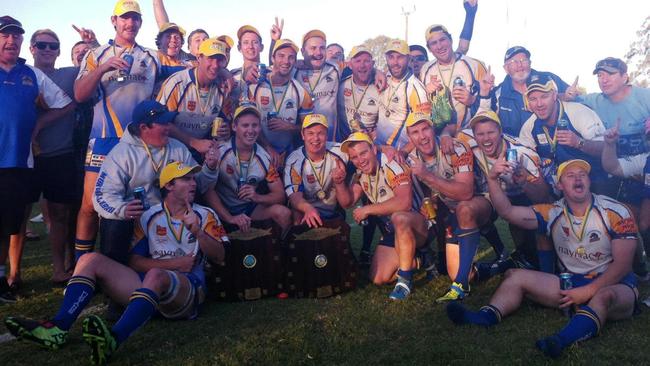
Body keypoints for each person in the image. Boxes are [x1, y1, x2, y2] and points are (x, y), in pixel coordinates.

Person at [5, 161, 226, 365]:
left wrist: (197, 230)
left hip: (187, 292)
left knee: (156, 275)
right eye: (186, 179)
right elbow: (134, 261)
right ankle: (58, 327)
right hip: (152, 288)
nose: (193, 183)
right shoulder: (149, 216)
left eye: (193, 179)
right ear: (169, 185)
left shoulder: (205, 214)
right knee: (90, 260)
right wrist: (175, 263)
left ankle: (113, 339)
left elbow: (220, 256)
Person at [447, 159, 639, 359]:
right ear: (559, 185)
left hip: (616, 285)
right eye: (570, 175)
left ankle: (560, 341)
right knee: (515, 276)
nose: (578, 178)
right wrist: (493, 179)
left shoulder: (616, 211)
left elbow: (623, 266)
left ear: (589, 181)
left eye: (582, 174)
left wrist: (587, 292)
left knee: (603, 297)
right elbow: (507, 212)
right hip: (571, 283)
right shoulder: (552, 212)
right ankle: (483, 317)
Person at [73, 0, 161, 262]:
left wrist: (225, 73)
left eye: (135, 18)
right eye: (124, 18)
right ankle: (82, 268)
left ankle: (125, 262)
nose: (130, 23)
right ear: (114, 21)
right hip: (103, 138)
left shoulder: (151, 57)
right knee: (90, 205)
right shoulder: (96, 54)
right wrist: (103, 68)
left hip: (138, 141)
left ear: (140, 23)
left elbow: (188, 69)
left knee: (133, 203)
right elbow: (79, 95)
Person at [0, 16, 73, 302]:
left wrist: (38, 125)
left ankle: (6, 278)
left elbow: (64, 103)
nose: (11, 41)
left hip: (18, 160)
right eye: (5, 36)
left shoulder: (30, 74)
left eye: (16, 36)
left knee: (10, 223)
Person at [92, 100, 219, 264]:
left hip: (172, 216)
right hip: (138, 220)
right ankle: (114, 271)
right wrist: (122, 209)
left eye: (168, 122)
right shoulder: (120, 154)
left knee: (198, 206)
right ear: (144, 128)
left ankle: (203, 263)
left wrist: (210, 167)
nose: (169, 127)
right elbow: (102, 195)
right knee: (114, 222)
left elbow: (198, 184)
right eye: (162, 123)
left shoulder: (178, 148)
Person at [336, 132, 429, 300]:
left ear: (373, 149)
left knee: (399, 217)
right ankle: (422, 258)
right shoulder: (361, 172)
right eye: (354, 157)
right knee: (378, 278)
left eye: (363, 153)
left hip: (419, 225)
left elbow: (404, 203)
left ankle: (405, 280)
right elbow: (347, 202)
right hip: (395, 233)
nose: (360, 160)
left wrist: (368, 209)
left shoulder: (391, 163)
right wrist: (339, 182)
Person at [461, 110, 551, 279]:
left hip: (523, 197)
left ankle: (528, 258)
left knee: (533, 239)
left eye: (490, 132)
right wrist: (444, 136)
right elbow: (451, 133)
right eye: (480, 134)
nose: (486, 138)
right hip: (493, 194)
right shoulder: (468, 143)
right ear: (474, 135)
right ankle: (508, 254)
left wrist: (524, 182)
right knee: (468, 207)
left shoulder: (523, 153)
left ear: (500, 132)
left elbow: (544, 197)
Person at [30, 29, 85, 284]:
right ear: (31, 48)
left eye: (53, 46)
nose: (47, 50)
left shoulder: (69, 74)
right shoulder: (22, 75)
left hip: (60, 154)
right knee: (18, 217)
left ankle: (60, 268)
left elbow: (92, 64)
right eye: (42, 45)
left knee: (61, 214)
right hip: (25, 156)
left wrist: (92, 41)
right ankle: (12, 275)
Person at [404, 111, 475, 280]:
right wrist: (428, 201)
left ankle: (501, 258)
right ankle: (429, 253)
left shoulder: (455, 147)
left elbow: (466, 193)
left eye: (425, 129)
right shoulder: (410, 160)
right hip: (446, 210)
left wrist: (427, 176)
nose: (422, 137)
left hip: (471, 207)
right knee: (420, 213)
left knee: (462, 275)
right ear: (409, 137)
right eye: (415, 132)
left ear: (433, 129)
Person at [204, 103, 291, 234]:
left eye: (255, 125)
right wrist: (230, 218)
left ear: (260, 128)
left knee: (284, 213)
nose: (251, 130)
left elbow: (280, 195)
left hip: (249, 209)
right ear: (234, 127)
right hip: (223, 209)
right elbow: (206, 190)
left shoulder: (265, 158)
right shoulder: (220, 153)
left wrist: (257, 197)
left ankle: (281, 252)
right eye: (245, 125)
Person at [518, 74, 607, 194]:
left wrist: (579, 143)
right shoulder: (529, 126)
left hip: (592, 184)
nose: (539, 104)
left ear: (554, 95)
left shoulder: (578, 112)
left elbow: (607, 149)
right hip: (557, 187)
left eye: (544, 96)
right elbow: (525, 162)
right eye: (533, 99)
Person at [157, 38, 231, 157]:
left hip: (204, 150)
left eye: (220, 60)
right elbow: (160, 123)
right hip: (173, 149)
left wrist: (226, 129)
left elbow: (226, 121)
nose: (215, 65)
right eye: (210, 58)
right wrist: (193, 142)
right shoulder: (177, 83)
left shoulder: (223, 87)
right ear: (199, 58)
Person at [419, 0, 482, 132]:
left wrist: (472, 100)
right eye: (434, 43)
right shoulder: (425, 69)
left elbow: (490, 104)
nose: (440, 46)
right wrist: (425, 93)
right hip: (439, 136)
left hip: (469, 134)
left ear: (451, 40)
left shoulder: (473, 65)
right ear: (429, 48)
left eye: (442, 40)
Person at [480, 46, 570, 136]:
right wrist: (484, 92)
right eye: (514, 62)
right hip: (516, 148)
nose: (520, 65)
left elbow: (578, 102)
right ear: (506, 68)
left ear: (530, 63)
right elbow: (481, 121)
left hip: (555, 145)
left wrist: (568, 97)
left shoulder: (549, 79)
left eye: (524, 60)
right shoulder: (498, 93)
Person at [248, 39, 313, 161]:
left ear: (295, 61)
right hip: (258, 150)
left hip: (287, 152)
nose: (286, 61)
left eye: (291, 57)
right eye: (281, 56)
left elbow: (309, 128)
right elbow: (246, 124)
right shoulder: (255, 86)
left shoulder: (301, 92)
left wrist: (289, 127)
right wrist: (267, 147)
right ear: (273, 58)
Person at [284, 114, 349, 226]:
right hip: (306, 211)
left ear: (326, 134)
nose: (316, 138)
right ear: (302, 135)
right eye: (310, 133)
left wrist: (382, 148)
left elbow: (362, 149)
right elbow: (295, 197)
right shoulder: (294, 161)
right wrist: (308, 209)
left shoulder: (340, 151)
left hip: (333, 211)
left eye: (320, 133)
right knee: (297, 217)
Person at [376, 39, 430, 153]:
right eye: (391, 57)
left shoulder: (416, 89)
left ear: (409, 59)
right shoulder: (385, 77)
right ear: (386, 58)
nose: (395, 62)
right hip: (379, 147)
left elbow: (424, 130)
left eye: (400, 57)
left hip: (399, 152)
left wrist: (403, 153)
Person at [294, 30, 341, 141]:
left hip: (329, 140)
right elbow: (274, 69)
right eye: (313, 48)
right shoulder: (293, 70)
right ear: (302, 51)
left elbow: (359, 67)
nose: (318, 53)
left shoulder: (336, 68)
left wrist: (377, 72)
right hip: (301, 140)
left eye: (322, 48)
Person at [337, 45, 380, 139]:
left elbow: (386, 121)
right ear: (350, 65)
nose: (362, 65)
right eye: (358, 61)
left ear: (372, 64)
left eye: (366, 61)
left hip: (367, 142)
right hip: (341, 141)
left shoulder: (380, 89)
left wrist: (376, 133)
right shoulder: (340, 84)